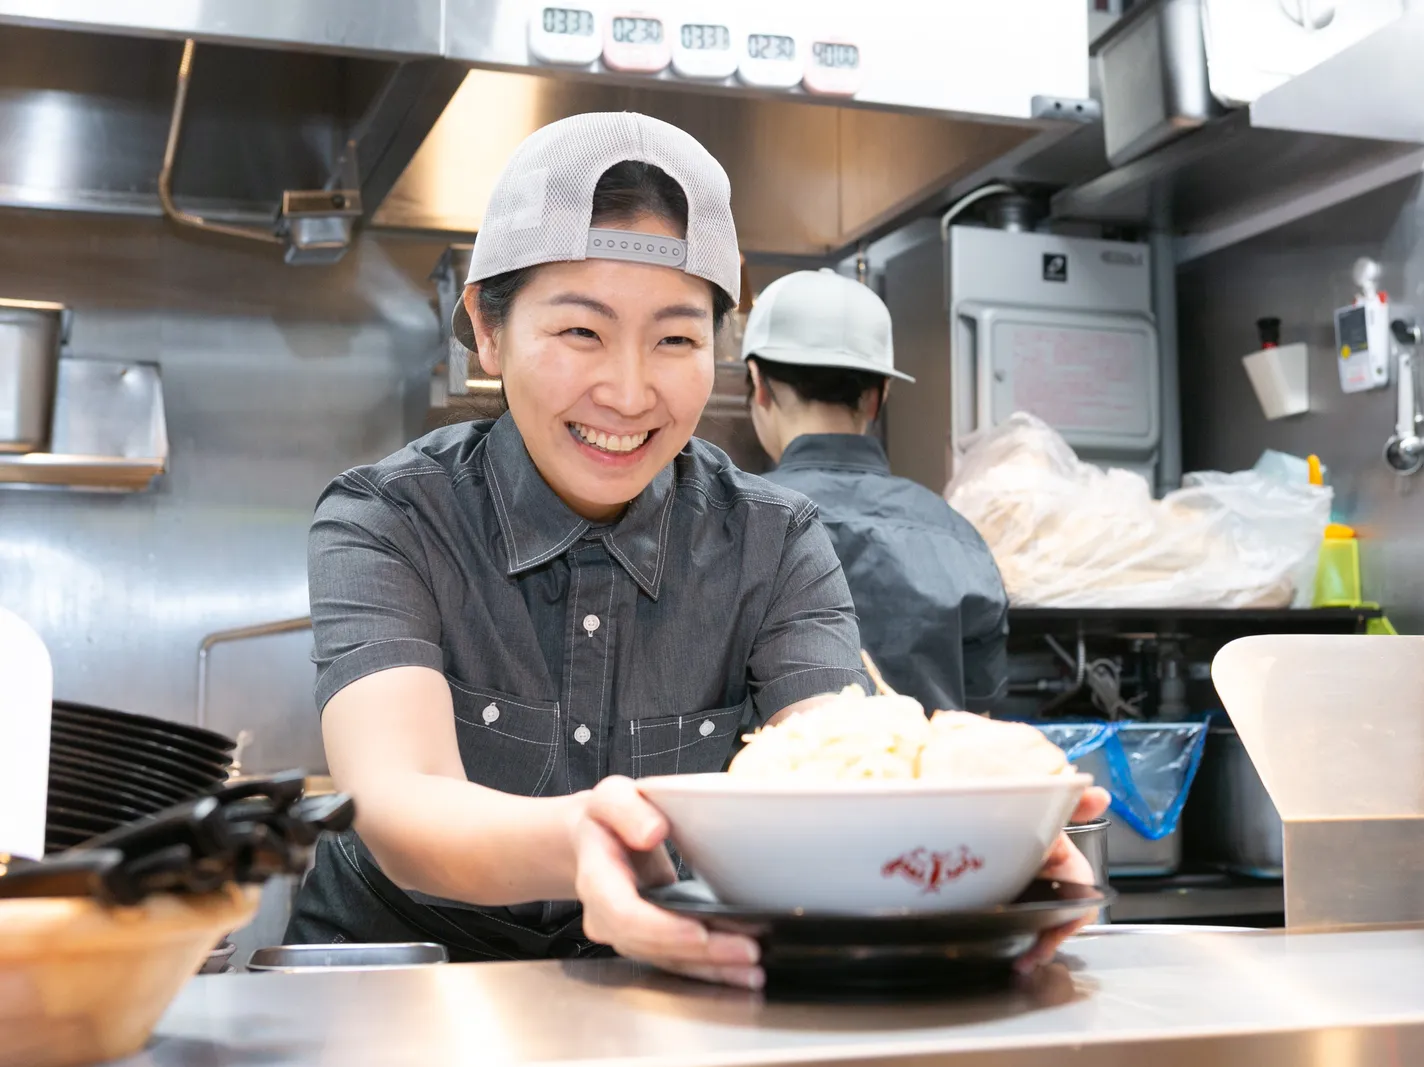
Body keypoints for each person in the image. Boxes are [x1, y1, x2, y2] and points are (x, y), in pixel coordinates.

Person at [286, 113, 1106, 989]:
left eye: (675, 339)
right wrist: (585, 841)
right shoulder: (390, 517)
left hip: (653, 984)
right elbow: (401, 801)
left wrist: (966, 835)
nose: (631, 391)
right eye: (580, 332)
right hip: (395, 980)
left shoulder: (776, 541)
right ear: (488, 329)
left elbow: (834, 762)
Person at [745, 269, 1011, 714]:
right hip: (930, 782)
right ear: (878, 396)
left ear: (758, 384)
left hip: (774, 782)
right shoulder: (959, 536)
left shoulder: (729, 525)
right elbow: (978, 722)